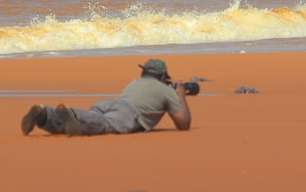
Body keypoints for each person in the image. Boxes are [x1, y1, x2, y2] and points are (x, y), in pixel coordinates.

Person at [20, 58, 192, 137]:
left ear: (143, 73)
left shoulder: (135, 82)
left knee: (80, 126)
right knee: (105, 125)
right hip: (129, 113)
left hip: (110, 103)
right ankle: (73, 114)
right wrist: (181, 96)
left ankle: (46, 114)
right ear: (163, 77)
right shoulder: (166, 90)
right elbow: (183, 124)